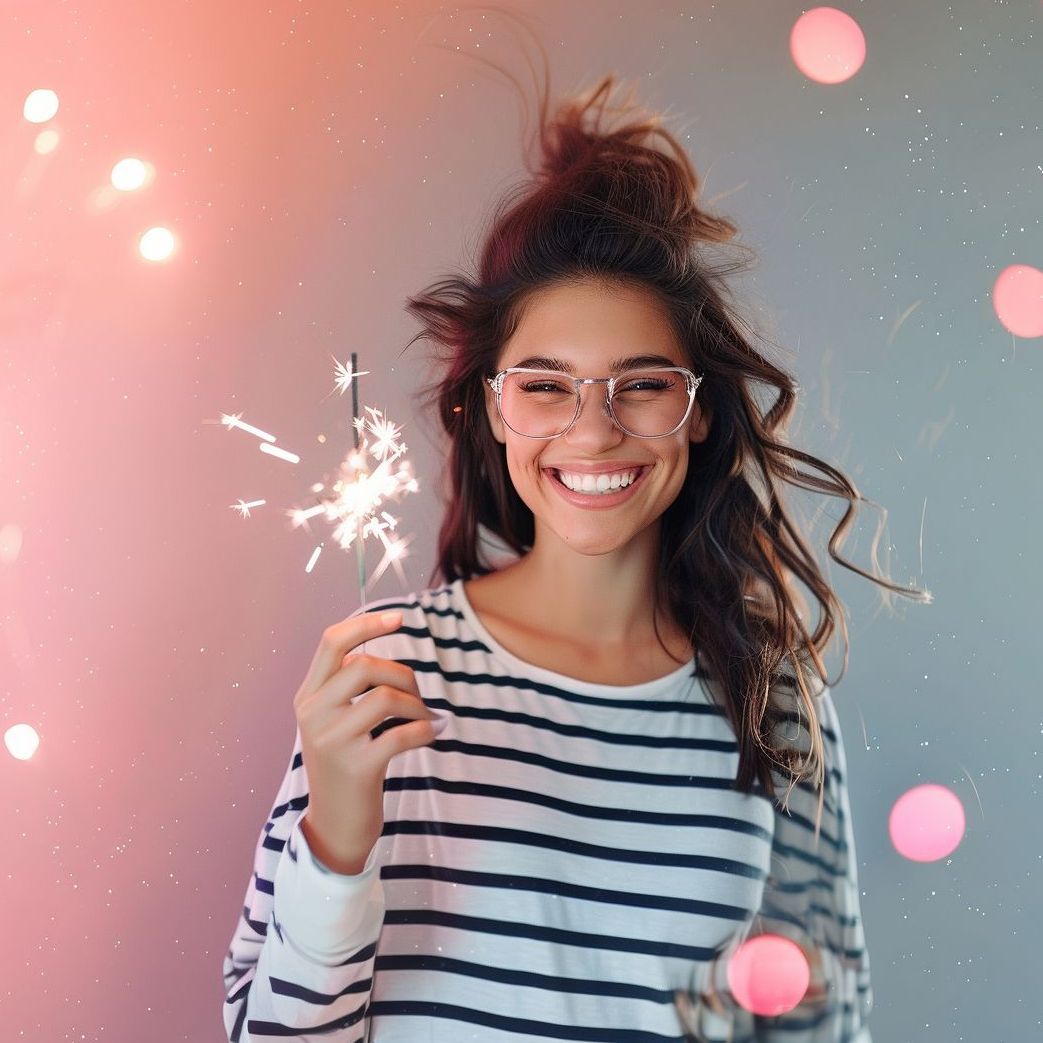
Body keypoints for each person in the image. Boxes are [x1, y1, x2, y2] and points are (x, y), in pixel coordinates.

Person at [221, 42, 929, 1043]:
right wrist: (337, 834)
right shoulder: (384, 671)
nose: (592, 432)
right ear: (489, 409)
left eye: (640, 383)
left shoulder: (769, 695)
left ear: (694, 411)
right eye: (544, 385)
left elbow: (821, 1018)